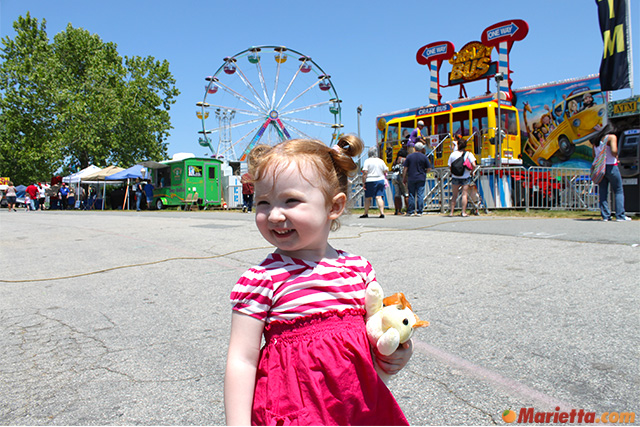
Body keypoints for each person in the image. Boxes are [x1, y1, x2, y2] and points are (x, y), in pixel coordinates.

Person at [225, 135, 413, 426]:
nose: (274, 215)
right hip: (292, 411)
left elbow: (373, 336)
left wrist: (396, 355)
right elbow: (242, 360)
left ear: (333, 207)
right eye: (262, 202)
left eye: (291, 201)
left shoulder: (358, 269)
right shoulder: (261, 280)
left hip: (357, 410)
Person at [590, 123, 631, 221]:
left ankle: (605, 216)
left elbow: (593, 154)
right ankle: (620, 215)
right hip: (611, 166)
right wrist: (617, 155)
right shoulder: (611, 137)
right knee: (618, 190)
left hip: (600, 168)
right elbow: (613, 150)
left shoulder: (596, 140)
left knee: (603, 192)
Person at [448, 136, 477, 217]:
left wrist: (452, 172)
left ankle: (451, 212)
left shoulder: (453, 154)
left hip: (455, 176)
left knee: (454, 195)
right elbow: (474, 165)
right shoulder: (468, 154)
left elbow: (449, 165)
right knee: (464, 194)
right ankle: (463, 212)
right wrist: (472, 171)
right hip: (465, 176)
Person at [402, 142, 432, 216]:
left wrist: (404, 177)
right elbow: (429, 168)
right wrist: (425, 172)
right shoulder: (424, 157)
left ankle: (411, 211)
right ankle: (419, 211)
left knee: (411, 194)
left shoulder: (409, 157)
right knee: (420, 194)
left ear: (415, 148)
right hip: (421, 177)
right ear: (422, 148)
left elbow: (405, 168)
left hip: (411, 177)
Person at [360, 146, 388, 218]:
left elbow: (365, 172)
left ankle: (366, 213)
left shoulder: (367, 161)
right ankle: (382, 213)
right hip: (380, 179)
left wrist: (364, 182)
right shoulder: (380, 161)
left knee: (368, 198)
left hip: (370, 180)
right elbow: (385, 170)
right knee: (379, 197)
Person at [391, 148, 408, 215]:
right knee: (406, 194)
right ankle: (409, 209)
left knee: (397, 194)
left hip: (394, 176)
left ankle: (397, 210)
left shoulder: (395, 160)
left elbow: (392, 168)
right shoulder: (404, 160)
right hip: (401, 176)